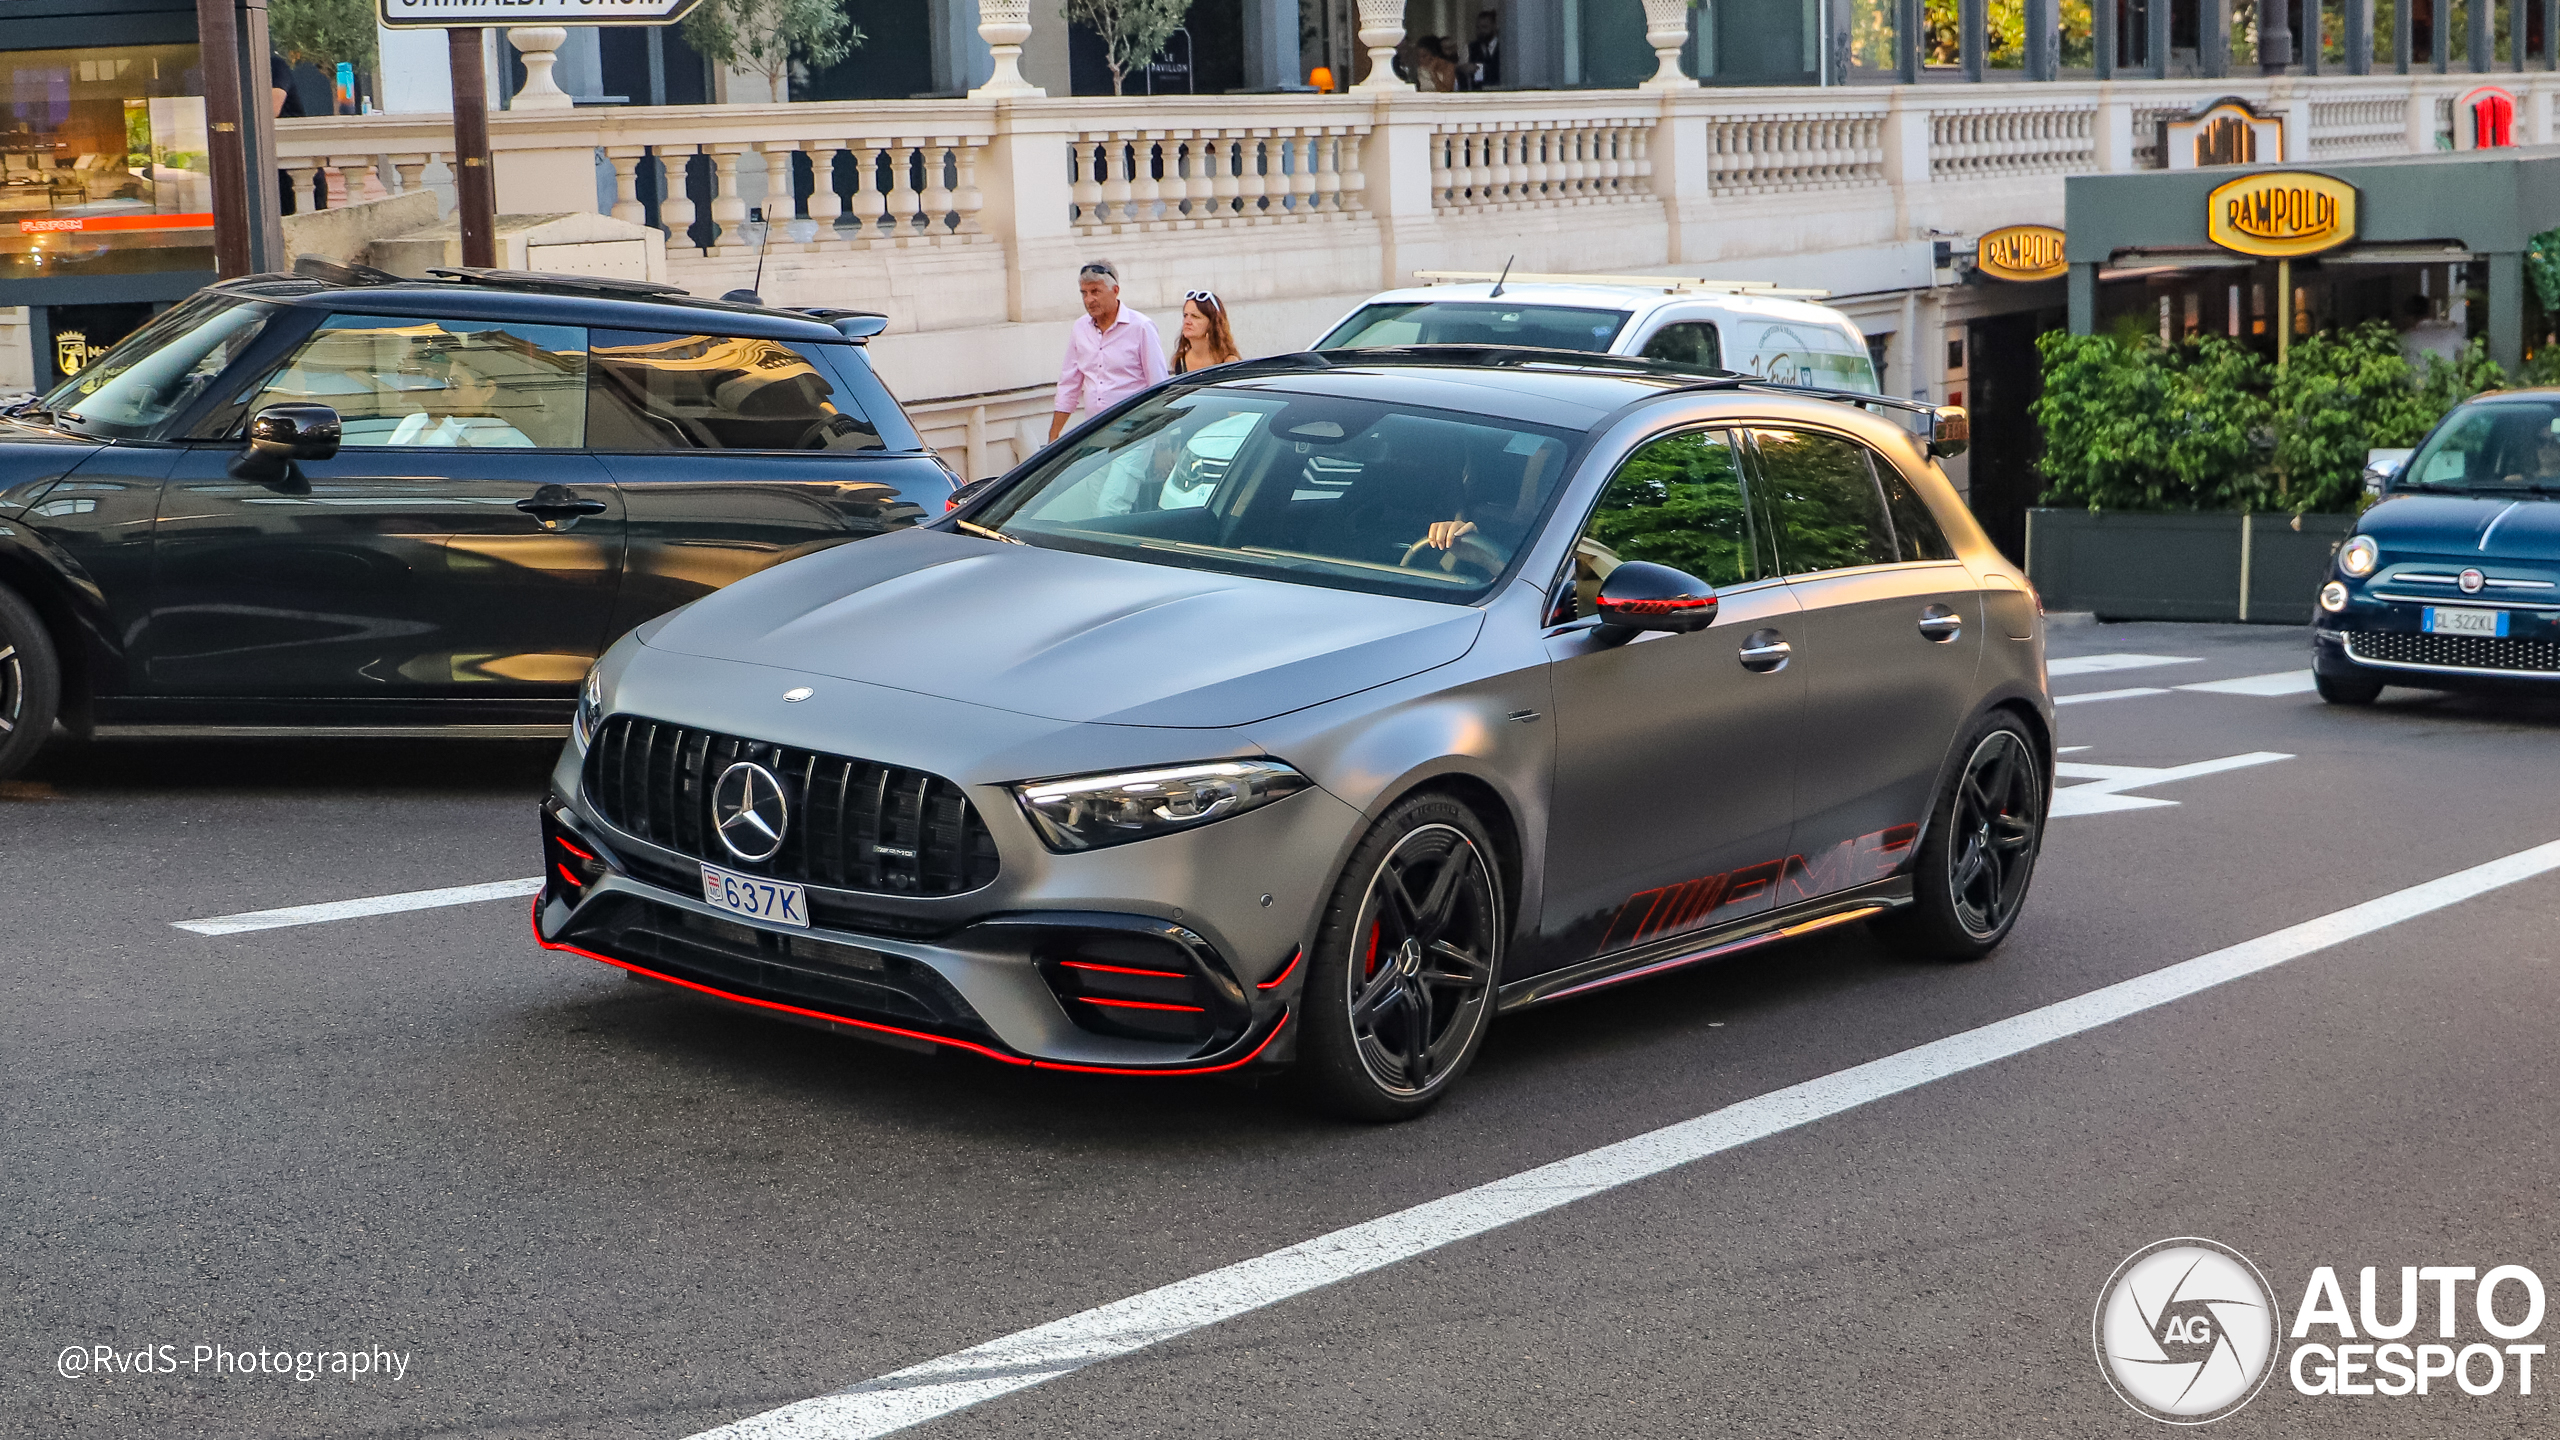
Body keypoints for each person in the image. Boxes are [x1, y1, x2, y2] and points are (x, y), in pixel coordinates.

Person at [1050, 259, 1167, 441]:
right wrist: (1054, 435)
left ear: (1115, 291)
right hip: (1094, 431)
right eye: (1084, 293)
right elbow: (1069, 384)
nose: (1089, 300)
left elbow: (1158, 385)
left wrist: (1161, 440)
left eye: (1095, 291)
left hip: (1134, 433)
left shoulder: (1141, 327)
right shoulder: (1080, 328)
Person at [1171, 289, 1241, 376]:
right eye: (1185, 315)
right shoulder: (1181, 361)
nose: (1187, 321)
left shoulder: (1228, 362)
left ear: (1212, 323)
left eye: (1195, 316)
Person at [1468, 11, 1502, 89]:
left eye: (1484, 27)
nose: (1481, 31)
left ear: (1494, 26)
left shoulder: (1503, 47)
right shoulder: (1472, 47)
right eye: (1478, 28)